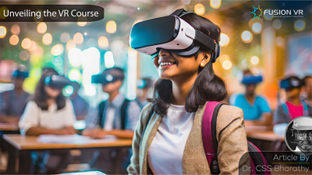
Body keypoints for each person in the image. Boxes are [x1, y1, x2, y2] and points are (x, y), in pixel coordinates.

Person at [127, 9, 250, 174]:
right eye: (160, 47)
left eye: (176, 44)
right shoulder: (149, 114)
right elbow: (135, 170)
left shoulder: (226, 118)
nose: (162, 53)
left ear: (204, 57)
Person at [83, 67, 141, 173]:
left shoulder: (130, 105)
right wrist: (93, 132)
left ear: (119, 82)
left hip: (124, 156)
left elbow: (134, 133)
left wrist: (105, 132)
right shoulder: (100, 105)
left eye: (107, 80)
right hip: (102, 154)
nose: (103, 84)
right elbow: (86, 130)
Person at [18, 69, 76, 173]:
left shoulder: (66, 103)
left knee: (62, 157)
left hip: (61, 149)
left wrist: (65, 131)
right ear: (43, 85)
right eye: (51, 85)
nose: (54, 88)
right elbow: (28, 128)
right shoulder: (34, 104)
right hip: (39, 150)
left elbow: (70, 127)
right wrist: (57, 132)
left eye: (58, 85)